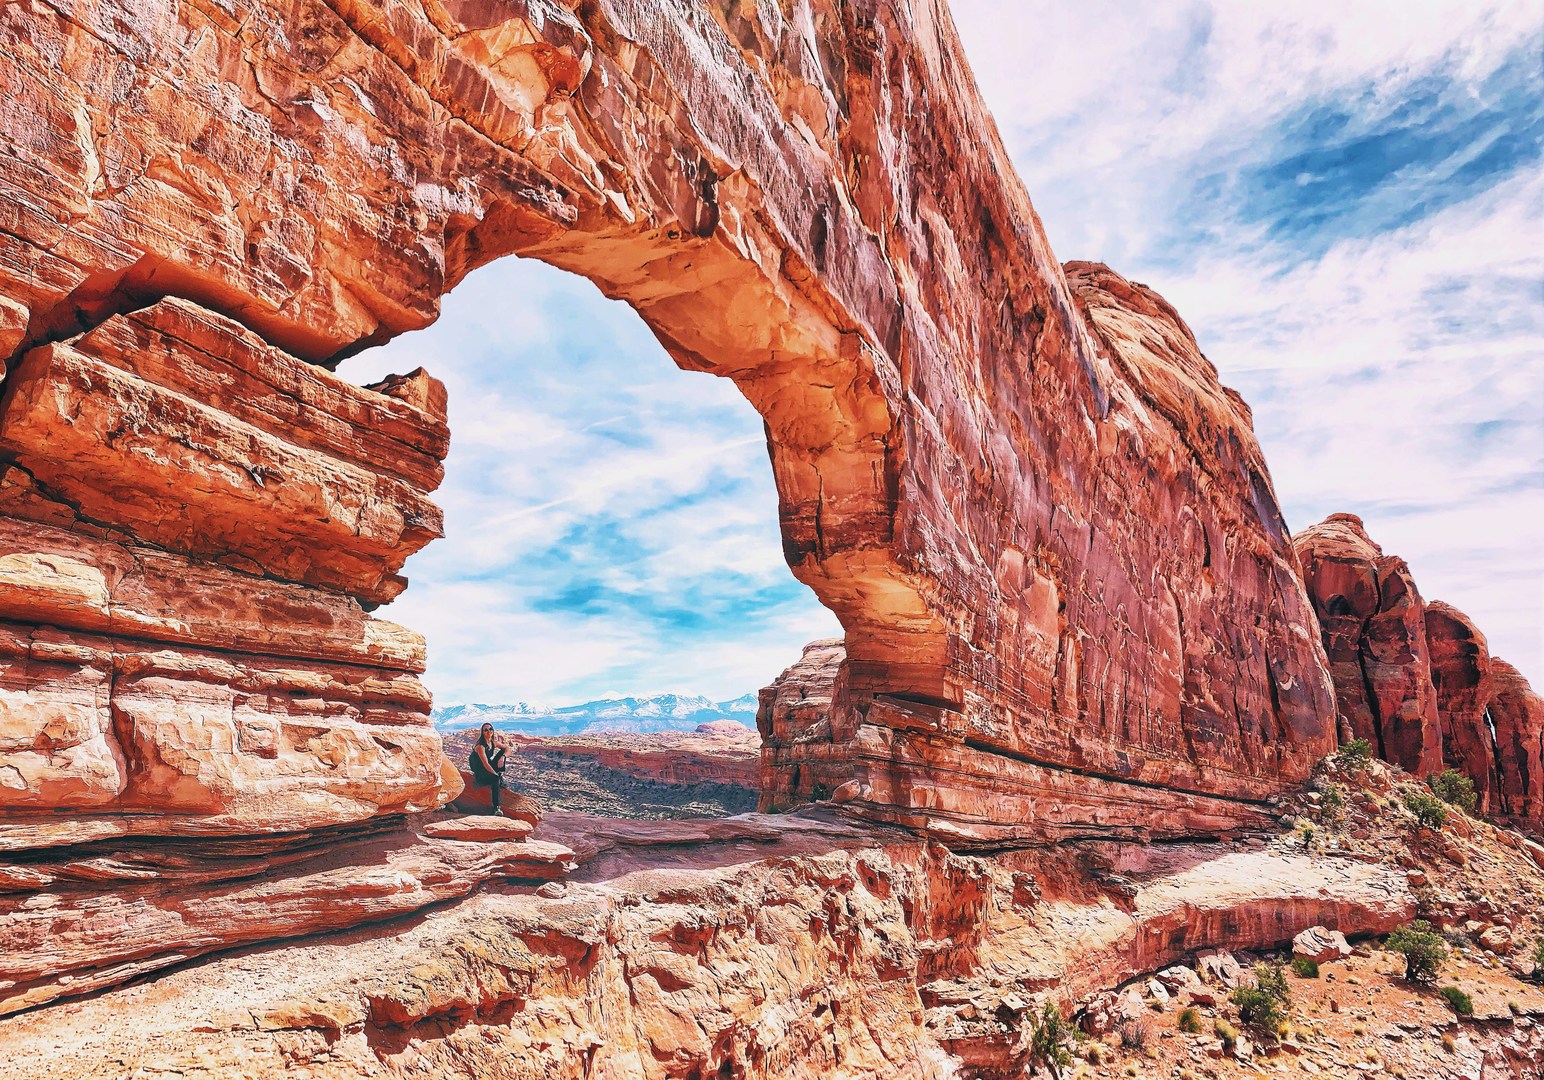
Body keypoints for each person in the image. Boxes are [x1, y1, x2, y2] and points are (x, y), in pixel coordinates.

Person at [469, 723, 508, 813]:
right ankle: (496, 807)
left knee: (502, 751)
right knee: (495, 780)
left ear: (493, 730)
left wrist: (503, 757)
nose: (488, 731)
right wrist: (496, 775)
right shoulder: (480, 746)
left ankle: (499, 776)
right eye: (485, 730)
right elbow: (486, 764)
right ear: (482, 733)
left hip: (487, 767)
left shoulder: (493, 742)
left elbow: (507, 748)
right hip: (480, 772)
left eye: (490, 729)